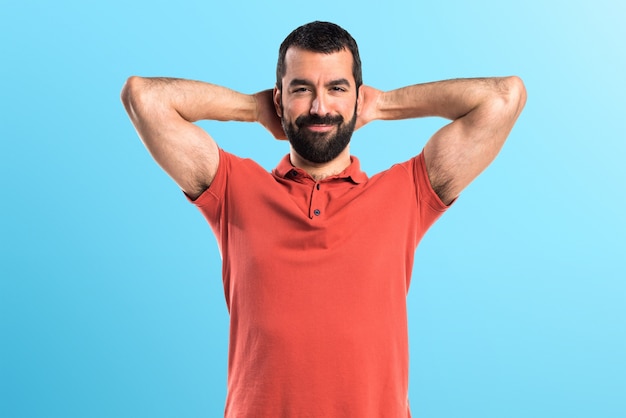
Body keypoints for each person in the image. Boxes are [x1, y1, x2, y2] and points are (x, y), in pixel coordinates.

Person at [121, 21, 526, 418]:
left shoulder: (407, 192)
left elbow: (504, 97)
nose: (320, 107)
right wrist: (251, 108)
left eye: (336, 88)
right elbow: (144, 97)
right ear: (279, 99)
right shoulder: (232, 189)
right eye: (302, 89)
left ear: (357, 99)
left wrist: (383, 105)